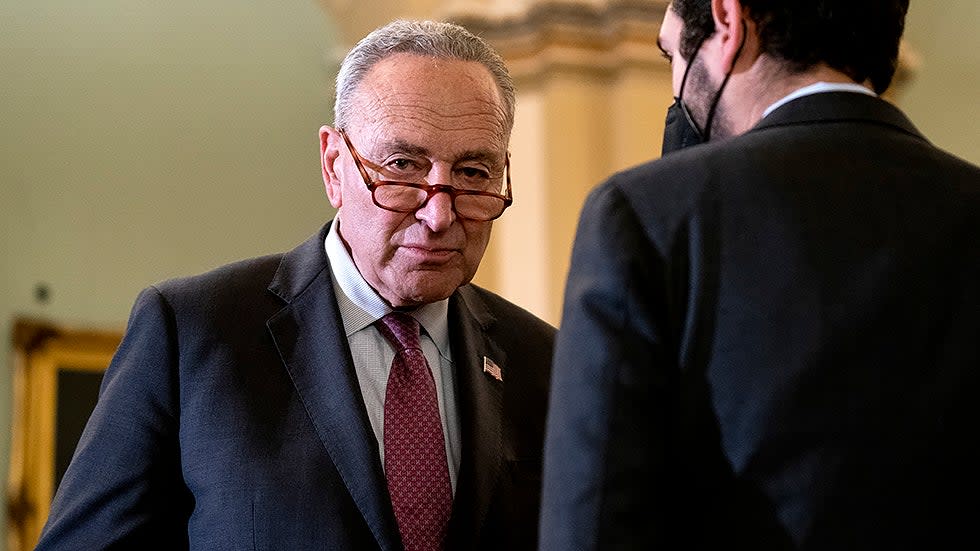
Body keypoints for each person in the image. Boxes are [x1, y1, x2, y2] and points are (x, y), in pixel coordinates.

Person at [36, 19, 555, 550]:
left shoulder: (545, 361)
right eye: (402, 166)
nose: (439, 213)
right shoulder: (193, 334)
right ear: (334, 166)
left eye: (473, 173)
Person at [539, 0, 980, 549]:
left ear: (726, 21)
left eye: (671, 54)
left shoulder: (648, 214)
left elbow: (592, 522)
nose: (676, 89)